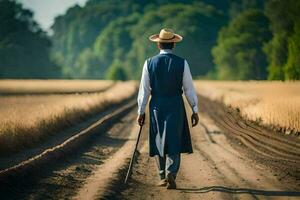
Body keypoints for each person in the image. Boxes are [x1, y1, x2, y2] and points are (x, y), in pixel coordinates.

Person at [137, 28, 199, 189]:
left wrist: (141, 111)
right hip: (175, 105)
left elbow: (145, 90)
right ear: (173, 45)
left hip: (157, 105)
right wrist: (195, 109)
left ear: (158, 45)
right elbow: (189, 89)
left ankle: (162, 176)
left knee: (158, 139)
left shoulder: (148, 63)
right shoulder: (182, 63)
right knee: (174, 139)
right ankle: (171, 171)